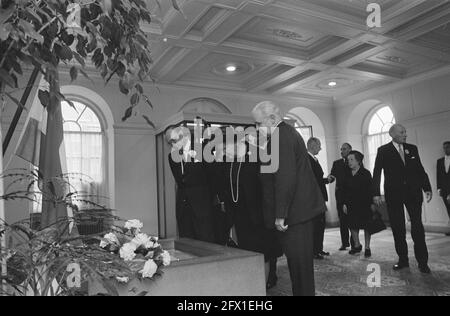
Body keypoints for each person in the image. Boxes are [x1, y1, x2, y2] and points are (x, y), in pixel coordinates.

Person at [252, 101, 327, 296]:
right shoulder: (283, 134)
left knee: (300, 270)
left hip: (295, 214)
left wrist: (280, 214)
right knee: (299, 269)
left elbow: (285, 178)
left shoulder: (280, 136)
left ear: (273, 119)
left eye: (259, 123)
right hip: (296, 213)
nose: (257, 128)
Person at [373, 124, 432, 274]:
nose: (405, 134)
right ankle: (403, 260)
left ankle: (423, 262)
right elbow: (377, 172)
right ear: (392, 134)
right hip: (394, 195)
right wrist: (376, 193)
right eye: (402, 132)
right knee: (398, 229)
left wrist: (427, 188)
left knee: (417, 227)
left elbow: (420, 169)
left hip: (413, 193)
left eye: (405, 131)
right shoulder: (383, 151)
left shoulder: (412, 148)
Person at [223, 140, 282, 290]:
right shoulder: (230, 163)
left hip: (259, 216)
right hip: (240, 217)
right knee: (248, 252)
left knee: (263, 253)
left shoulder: (257, 159)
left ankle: (262, 287)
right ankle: (253, 286)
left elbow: (268, 186)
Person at [166, 126, 215, 243]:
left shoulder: (202, 149)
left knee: (205, 241)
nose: (172, 144)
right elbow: (180, 181)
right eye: (169, 142)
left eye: (174, 140)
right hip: (183, 205)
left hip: (202, 204)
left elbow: (213, 176)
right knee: (186, 241)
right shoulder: (172, 157)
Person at [342, 151, 374, 258]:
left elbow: (371, 190)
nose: (349, 162)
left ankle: (367, 247)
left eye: (351, 159)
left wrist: (372, 203)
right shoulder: (347, 173)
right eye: (348, 160)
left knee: (366, 226)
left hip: (364, 204)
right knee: (352, 225)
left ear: (358, 161)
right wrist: (344, 203)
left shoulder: (366, 173)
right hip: (351, 204)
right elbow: (344, 190)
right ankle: (357, 245)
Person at [307, 137, 330, 260]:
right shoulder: (308, 159)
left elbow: (318, 180)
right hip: (314, 199)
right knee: (316, 226)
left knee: (321, 225)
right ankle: (315, 251)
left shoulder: (313, 159)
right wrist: (326, 180)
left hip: (319, 198)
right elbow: (313, 181)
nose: (320, 148)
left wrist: (326, 180)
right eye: (319, 145)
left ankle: (319, 249)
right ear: (312, 145)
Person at [329, 143, 355, 251]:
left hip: (351, 195)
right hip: (340, 195)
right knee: (342, 220)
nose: (342, 151)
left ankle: (354, 243)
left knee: (352, 219)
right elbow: (332, 176)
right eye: (341, 149)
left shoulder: (354, 161)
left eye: (344, 149)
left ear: (350, 150)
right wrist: (329, 178)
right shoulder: (337, 163)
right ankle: (345, 243)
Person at [437, 141, 450, 236]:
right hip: (444, 190)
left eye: (448, 147)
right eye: (444, 147)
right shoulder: (440, 161)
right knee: (448, 209)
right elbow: (439, 176)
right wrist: (439, 188)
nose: (446, 149)